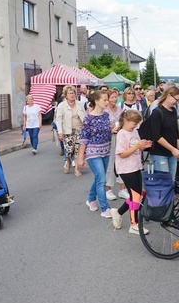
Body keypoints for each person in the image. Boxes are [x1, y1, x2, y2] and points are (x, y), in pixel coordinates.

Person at [110, 109, 152, 234]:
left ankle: (118, 212)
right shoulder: (122, 133)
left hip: (135, 166)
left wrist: (143, 146)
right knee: (135, 196)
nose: (135, 126)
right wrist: (136, 146)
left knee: (138, 194)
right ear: (125, 121)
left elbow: (136, 148)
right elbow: (122, 153)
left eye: (137, 124)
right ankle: (134, 224)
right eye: (134, 123)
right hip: (126, 168)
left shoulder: (134, 131)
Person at [77, 90, 114, 219]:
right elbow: (84, 139)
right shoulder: (88, 118)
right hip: (92, 152)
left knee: (99, 177)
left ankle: (91, 199)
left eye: (107, 99)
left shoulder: (106, 115)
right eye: (104, 99)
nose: (107, 102)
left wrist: (113, 130)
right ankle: (105, 208)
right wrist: (81, 158)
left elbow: (108, 130)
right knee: (102, 179)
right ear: (96, 101)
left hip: (105, 150)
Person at [147, 86, 179, 174]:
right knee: (163, 183)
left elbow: (176, 132)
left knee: (171, 181)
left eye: (178, 100)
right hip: (159, 153)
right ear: (168, 96)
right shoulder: (157, 112)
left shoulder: (173, 111)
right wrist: (173, 149)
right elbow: (157, 136)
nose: (176, 102)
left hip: (172, 153)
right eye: (176, 99)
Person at [55, 85, 86, 176]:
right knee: (69, 151)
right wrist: (60, 132)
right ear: (66, 95)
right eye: (69, 93)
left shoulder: (79, 104)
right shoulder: (62, 105)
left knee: (77, 150)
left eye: (73, 93)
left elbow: (84, 116)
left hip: (79, 129)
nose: (72, 95)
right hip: (67, 131)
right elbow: (58, 119)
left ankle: (77, 169)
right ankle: (68, 161)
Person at [105, 89, 130, 201]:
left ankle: (122, 189)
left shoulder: (119, 109)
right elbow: (102, 127)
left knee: (122, 162)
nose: (114, 99)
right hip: (109, 139)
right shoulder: (104, 111)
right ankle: (108, 189)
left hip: (120, 137)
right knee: (110, 164)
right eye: (112, 97)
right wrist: (110, 129)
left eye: (116, 97)